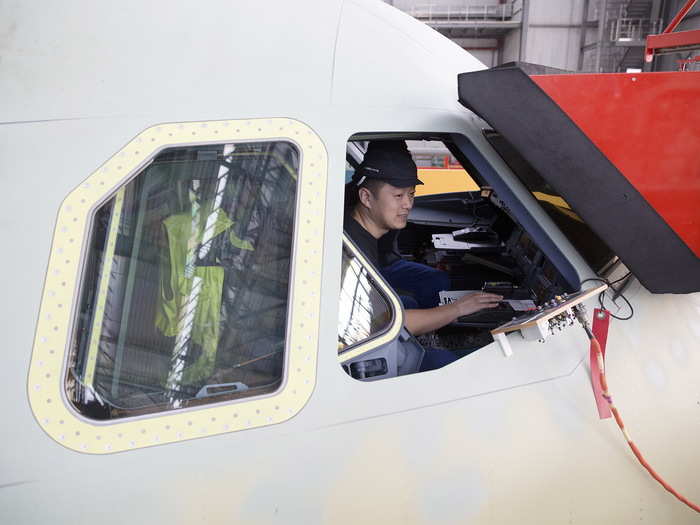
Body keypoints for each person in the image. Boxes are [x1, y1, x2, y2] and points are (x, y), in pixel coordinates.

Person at [344, 140, 502, 370]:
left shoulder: (357, 232)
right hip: (365, 357)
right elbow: (385, 325)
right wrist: (457, 308)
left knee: (408, 301)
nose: (408, 204)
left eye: (412, 194)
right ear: (366, 198)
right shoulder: (353, 252)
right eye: (398, 196)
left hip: (368, 331)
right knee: (446, 364)